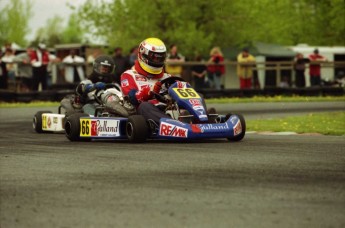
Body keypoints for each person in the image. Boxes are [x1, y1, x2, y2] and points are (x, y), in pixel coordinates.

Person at [120, 37, 172, 123]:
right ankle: (172, 125)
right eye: (155, 58)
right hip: (144, 116)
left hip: (169, 109)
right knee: (144, 106)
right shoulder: (129, 75)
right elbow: (131, 98)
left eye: (160, 58)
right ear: (143, 55)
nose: (158, 60)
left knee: (198, 96)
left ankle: (199, 122)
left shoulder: (168, 77)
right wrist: (149, 92)